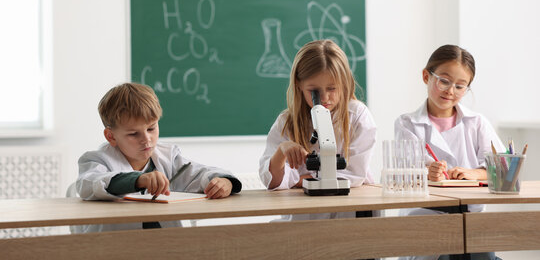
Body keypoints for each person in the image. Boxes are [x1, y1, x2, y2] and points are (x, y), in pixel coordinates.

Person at [75, 82, 242, 232]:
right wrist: (138, 180)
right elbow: (89, 184)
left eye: (151, 128)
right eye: (134, 134)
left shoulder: (167, 157)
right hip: (112, 248)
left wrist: (223, 181)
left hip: (163, 245)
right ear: (111, 136)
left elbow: (199, 173)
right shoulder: (96, 160)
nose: (146, 139)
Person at [395, 44, 504, 260]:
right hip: (425, 216)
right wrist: (428, 172)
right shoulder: (407, 123)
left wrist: (475, 173)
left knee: (484, 255)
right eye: (444, 81)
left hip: (470, 216)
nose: (450, 91)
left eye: (460, 86)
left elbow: (503, 167)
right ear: (426, 76)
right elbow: (405, 170)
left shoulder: (477, 122)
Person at [259, 39, 377, 220]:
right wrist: (282, 151)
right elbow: (273, 182)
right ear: (299, 84)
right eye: (314, 91)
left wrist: (302, 179)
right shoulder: (286, 122)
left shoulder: (357, 116)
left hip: (349, 215)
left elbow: (354, 174)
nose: (324, 98)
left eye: (332, 88)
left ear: (344, 82)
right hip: (304, 218)